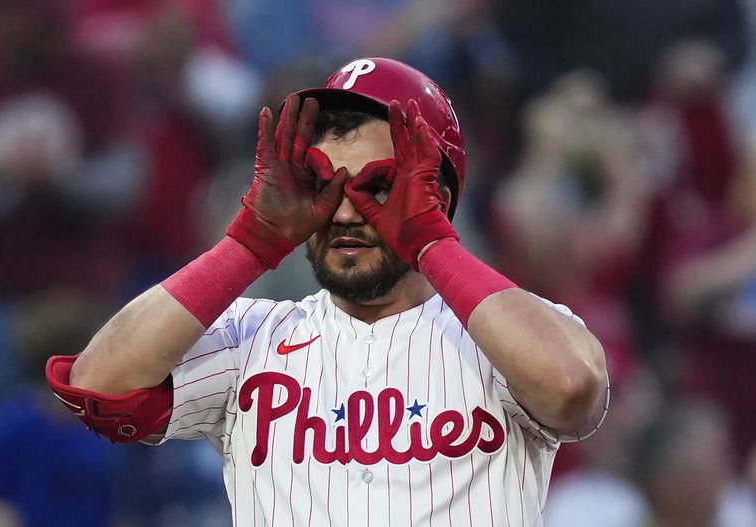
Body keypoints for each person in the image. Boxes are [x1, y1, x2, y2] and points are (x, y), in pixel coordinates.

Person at [46, 57, 609, 526]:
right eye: (323, 184)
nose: (345, 210)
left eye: (377, 187)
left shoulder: (508, 333)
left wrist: (433, 242)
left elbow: (570, 390)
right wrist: (249, 242)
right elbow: (98, 383)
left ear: (436, 193)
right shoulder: (251, 338)